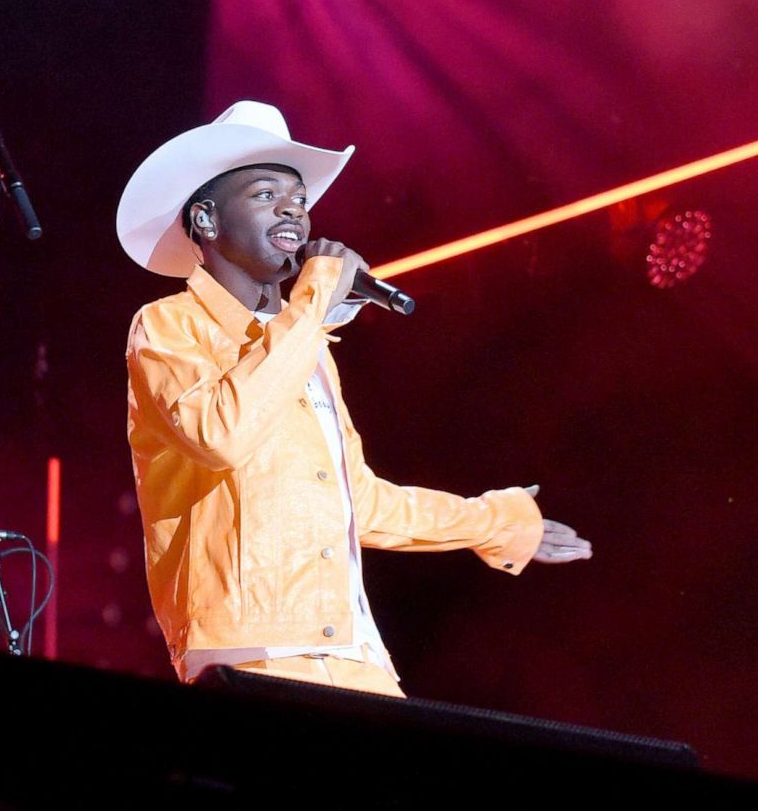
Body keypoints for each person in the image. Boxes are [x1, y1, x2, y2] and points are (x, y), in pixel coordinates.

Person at [116, 101, 591, 696]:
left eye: (299, 199)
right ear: (207, 221)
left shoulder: (305, 348)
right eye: (266, 194)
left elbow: (355, 501)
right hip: (250, 650)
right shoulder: (167, 326)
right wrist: (312, 304)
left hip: (354, 651)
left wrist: (492, 521)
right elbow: (220, 436)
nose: (293, 209)